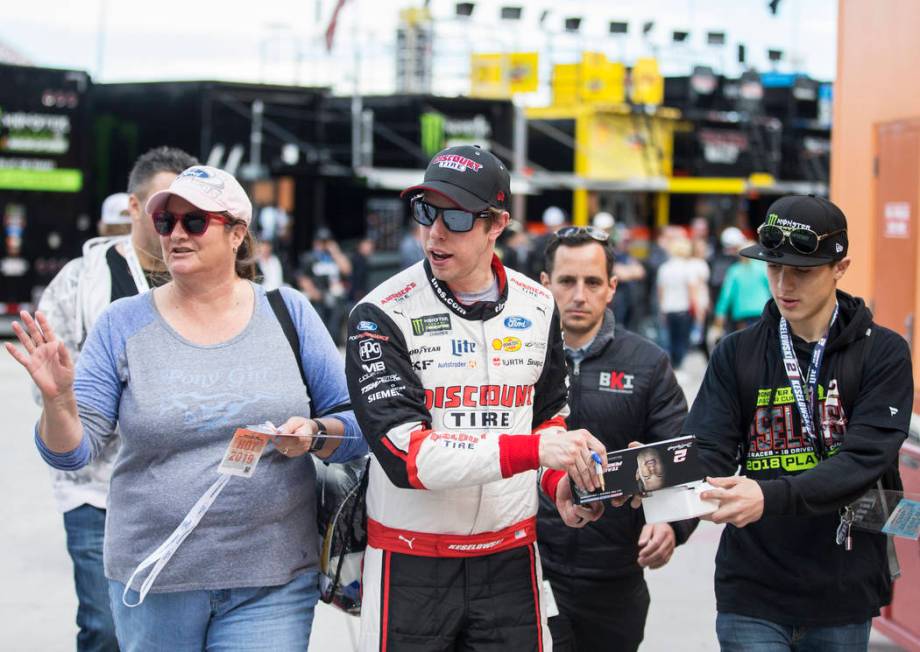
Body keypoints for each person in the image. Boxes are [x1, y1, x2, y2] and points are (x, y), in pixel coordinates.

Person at [8, 165, 366, 651]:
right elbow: (71, 453)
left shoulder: (289, 312)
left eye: (194, 222)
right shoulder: (122, 323)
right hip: (155, 579)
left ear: (237, 233)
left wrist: (315, 432)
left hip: (272, 578)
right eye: (166, 223)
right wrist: (58, 402)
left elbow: (355, 425)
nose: (175, 234)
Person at [345, 145, 608, 650]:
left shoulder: (538, 304)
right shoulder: (379, 314)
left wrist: (561, 485)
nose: (435, 232)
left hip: (510, 559)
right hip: (410, 562)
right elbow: (407, 457)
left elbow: (548, 417)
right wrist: (534, 454)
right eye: (425, 211)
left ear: (497, 224)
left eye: (458, 216)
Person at [683, 195, 912, 651]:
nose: (784, 284)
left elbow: (864, 460)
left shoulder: (882, 353)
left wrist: (768, 495)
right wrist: (646, 474)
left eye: (802, 272)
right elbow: (708, 450)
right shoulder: (736, 353)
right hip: (752, 589)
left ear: (840, 268)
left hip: (842, 589)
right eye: (773, 268)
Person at [32, 146, 197, 652]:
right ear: (132, 207)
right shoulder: (80, 282)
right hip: (95, 486)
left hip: (182, 486)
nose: (175, 225)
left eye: (188, 214)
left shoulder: (205, 279)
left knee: (166, 631)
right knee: (104, 627)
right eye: (161, 211)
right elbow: (48, 385)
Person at [537, 226, 694, 652]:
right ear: (545, 284)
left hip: (613, 577)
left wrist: (671, 523)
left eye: (592, 282)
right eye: (567, 281)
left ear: (612, 287)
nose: (578, 295)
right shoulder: (516, 358)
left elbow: (682, 456)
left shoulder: (647, 362)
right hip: (526, 570)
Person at [297, 226, 352, 345]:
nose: (323, 245)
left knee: (334, 330)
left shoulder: (334, 257)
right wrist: (313, 292)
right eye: (321, 242)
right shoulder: (310, 258)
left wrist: (335, 252)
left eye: (326, 242)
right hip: (318, 298)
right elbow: (303, 277)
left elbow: (347, 270)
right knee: (318, 329)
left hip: (334, 297)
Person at [656, 236, 699, 368]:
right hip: (683, 308)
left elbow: (660, 291)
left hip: (668, 308)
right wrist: (696, 310)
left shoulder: (664, 268)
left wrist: (662, 309)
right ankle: (679, 364)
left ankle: (673, 364)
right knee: (682, 339)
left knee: (671, 339)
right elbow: (692, 291)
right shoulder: (688, 268)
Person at [713, 239, 772, 333]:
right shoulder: (763, 267)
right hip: (762, 310)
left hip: (742, 313)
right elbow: (772, 289)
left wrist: (720, 312)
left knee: (746, 341)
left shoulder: (734, 270)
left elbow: (726, 294)